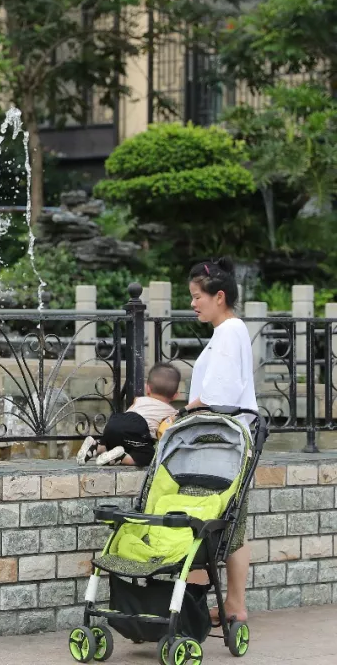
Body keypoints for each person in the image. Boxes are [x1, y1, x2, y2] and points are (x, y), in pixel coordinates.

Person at [182, 257, 257, 629]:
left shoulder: (228, 332)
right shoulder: (229, 330)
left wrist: (185, 410)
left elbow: (219, 395)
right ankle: (233, 606)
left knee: (202, 521)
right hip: (228, 442)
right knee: (231, 523)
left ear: (219, 296)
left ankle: (194, 609)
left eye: (198, 296)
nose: (193, 303)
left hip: (222, 444)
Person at [76, 363, 181, 467]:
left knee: (116, 441)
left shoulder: (139, 400)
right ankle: (121, 458)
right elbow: (164, 431)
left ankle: (96, 447)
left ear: (147, 388)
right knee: (149, 454)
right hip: (138, 428)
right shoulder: (172, 413)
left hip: (116, 422)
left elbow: (130, 414)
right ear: (175, 395)